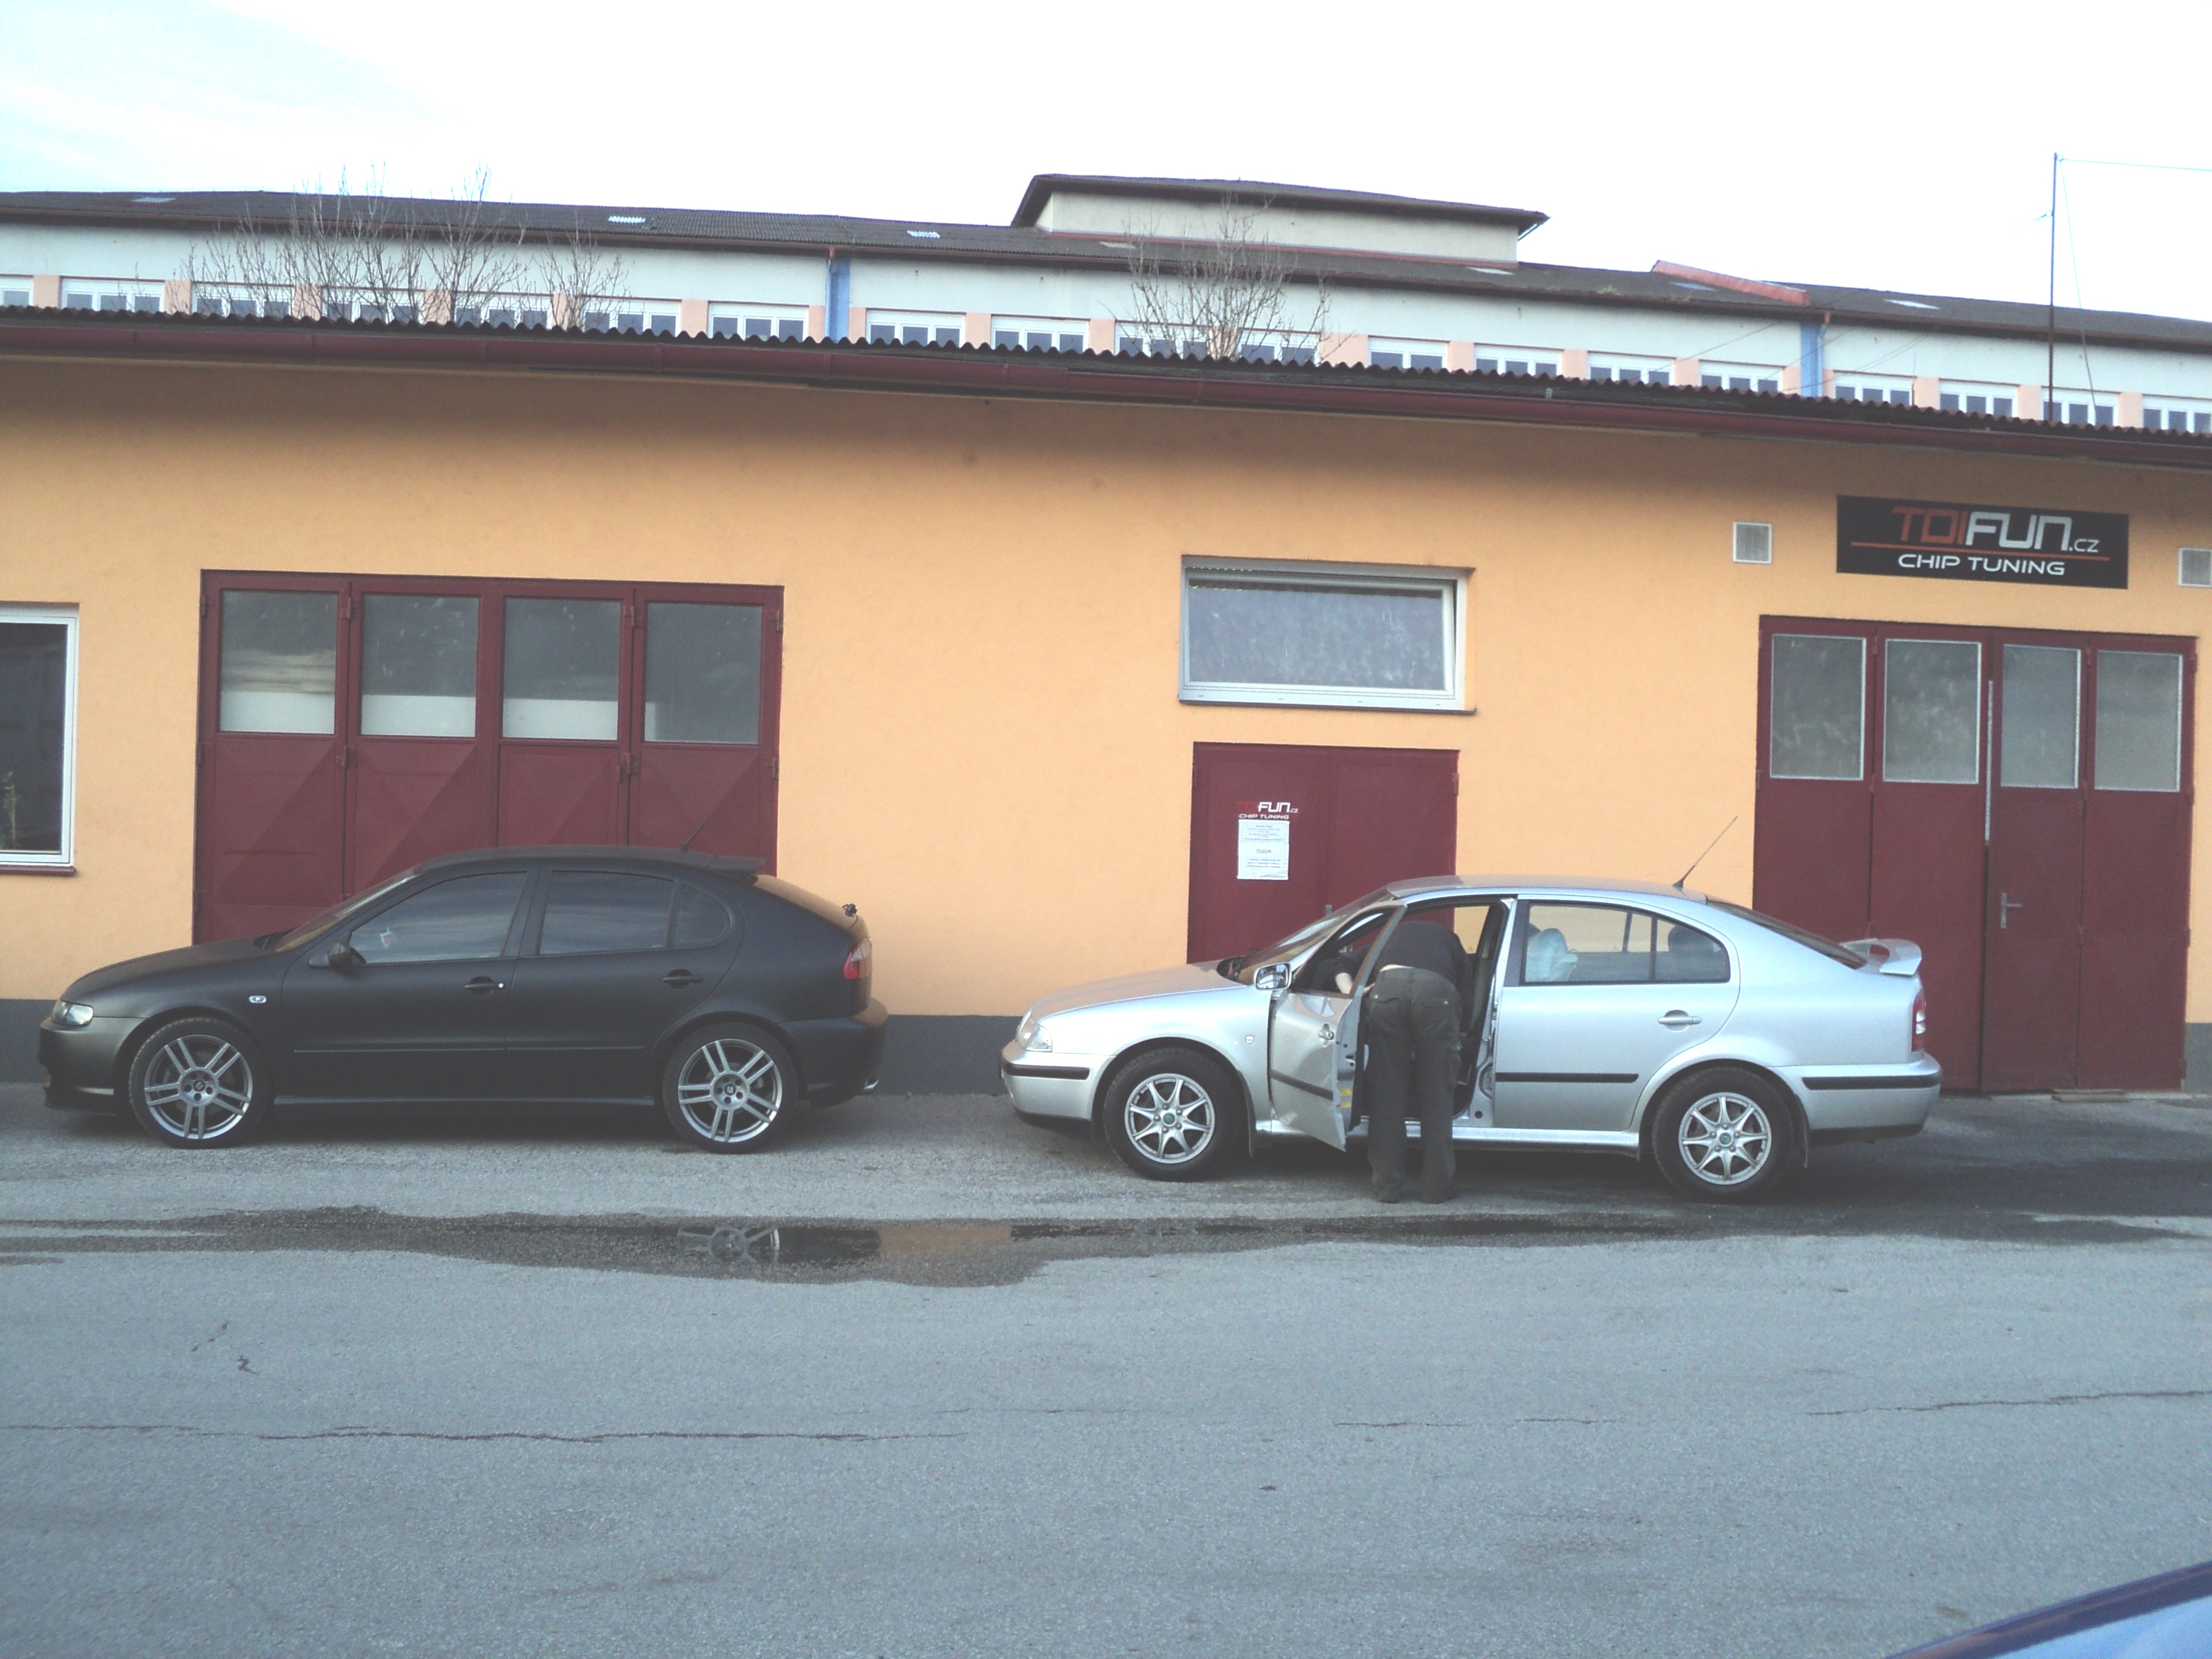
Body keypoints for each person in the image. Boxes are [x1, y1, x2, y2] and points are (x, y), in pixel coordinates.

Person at [1321, 917, 1468, 1204]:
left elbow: (1342, 964)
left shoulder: (1386, 938)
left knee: (1387, 1095)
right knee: (1437, 1097)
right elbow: (1467, 992)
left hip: (1387, 992)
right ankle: (1437, 1189)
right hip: (1437, 996)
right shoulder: (1452, 942)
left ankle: (1388, 1186)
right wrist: (1461, 1034)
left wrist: (1353, 993)